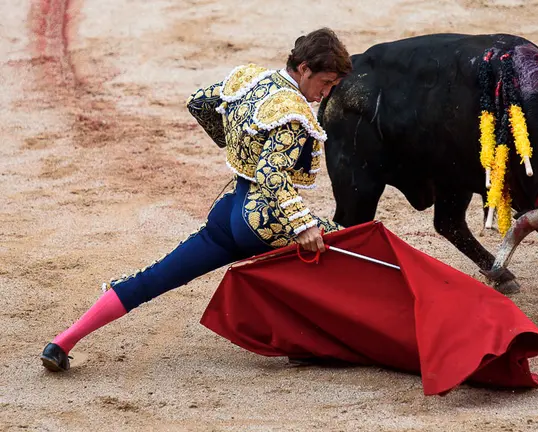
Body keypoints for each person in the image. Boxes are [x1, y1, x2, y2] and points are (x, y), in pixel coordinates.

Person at [40, 28, 353, 372]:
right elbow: (270, 174)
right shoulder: (293, 112)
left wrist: (233, 142)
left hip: (230, 211)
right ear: (304, 68)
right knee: (347, 248)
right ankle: (314, 343)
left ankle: (63, 341)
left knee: (155, 277)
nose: (324, 94)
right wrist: (303, 225)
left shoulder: (250, 79)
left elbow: (201, 102)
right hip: (263, 219)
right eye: (325, 82)